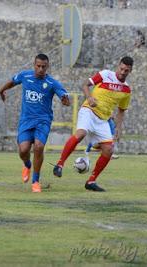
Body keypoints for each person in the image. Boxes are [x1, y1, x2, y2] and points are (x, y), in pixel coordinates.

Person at [53, 56, 134, 192]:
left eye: (126, 70)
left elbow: (121, 110)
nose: (122, 72)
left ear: (130, 71)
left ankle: (91, 181)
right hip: (89, 111)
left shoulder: (126, 90)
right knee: (80, 134)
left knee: (108, 150)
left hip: (102, 120)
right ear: (118, 66)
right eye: (121, 69)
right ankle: (60, 164)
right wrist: (89, 97)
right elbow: (85, 84)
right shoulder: (105, 75)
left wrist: (118, 128)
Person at [0, 54, 70, 193]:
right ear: (34, 65)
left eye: (44, 66)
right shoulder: (25, 76)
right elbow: (12, 82)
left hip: (43, 121)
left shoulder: (52, 83)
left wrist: (65, 100)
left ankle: (35, 181)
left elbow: (63, 95)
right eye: (38, 66)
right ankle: (27, 165)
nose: (40, 69)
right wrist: (1, 90)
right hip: (26, 120)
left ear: (47, 66)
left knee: (39, 146)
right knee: (24, 150)